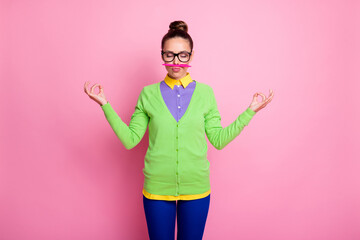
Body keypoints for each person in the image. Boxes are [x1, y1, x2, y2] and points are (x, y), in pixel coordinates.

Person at [84, 20, 274, 240]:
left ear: (191, 56)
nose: (176, 61)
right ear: (162, 55)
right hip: (156, 187)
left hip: (197, 187)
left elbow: (218, 139)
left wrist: (249, 112)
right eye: (169, 55)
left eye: (182, 55)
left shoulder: (206, 94)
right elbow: (130, 139)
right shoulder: (148, 94)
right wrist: (105, 105)